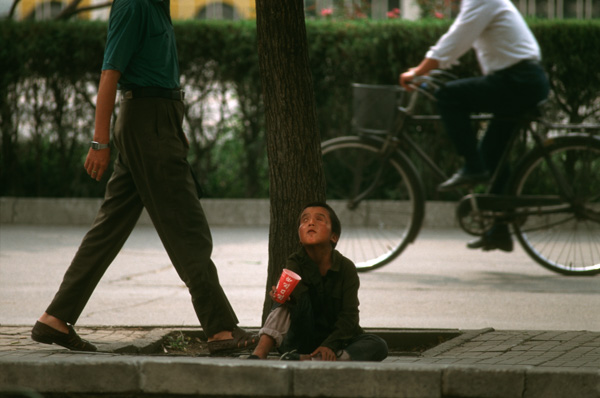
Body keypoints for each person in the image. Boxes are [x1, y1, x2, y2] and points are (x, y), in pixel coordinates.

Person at [30, 0, 257, 355]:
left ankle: (56, 318)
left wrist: (173, 124)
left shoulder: (158, 6)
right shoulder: (134, 5)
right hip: (145, 123)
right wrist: (99, 141)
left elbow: (159, 74)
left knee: (109, 228)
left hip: (158, 121)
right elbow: (110, 73)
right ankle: (220, 330)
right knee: (188, 228)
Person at [399, 0, 549, 252]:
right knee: (493, 152)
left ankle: (472, 166)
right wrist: (433, 67)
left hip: (517, 80)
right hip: (519, 80)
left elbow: (456, 39)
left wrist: (419, 71)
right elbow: (461, 41)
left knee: (449, 96)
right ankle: (500, 230)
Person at [249, 202, 388, 361]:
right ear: (300, 237)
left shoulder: (346, 268)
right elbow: (297, 302)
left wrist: (330, 345)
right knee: (285, 299)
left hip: (335, 341)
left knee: (378, 345)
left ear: (333, 236)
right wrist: (284, 296)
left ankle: (313, 359)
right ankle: (259, 353)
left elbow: (349, 317)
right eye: (305, 220)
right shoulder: (295, 261)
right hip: (302, 338)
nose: (311, 223)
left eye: (319, 219)